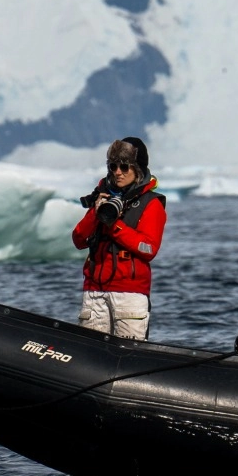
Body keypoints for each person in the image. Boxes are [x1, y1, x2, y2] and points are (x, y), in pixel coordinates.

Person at [71, 136, 167, 340]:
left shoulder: (151, 204)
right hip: (94, 291)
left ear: (137, 169)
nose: (118, 172)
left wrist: (114, 226)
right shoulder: (101, 197)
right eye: (113, 166)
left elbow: (149, 249)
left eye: (125, 166)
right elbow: (78, 239)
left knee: (129, 354)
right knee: (90, 353)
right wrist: (96, 214)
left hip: (129, 294)